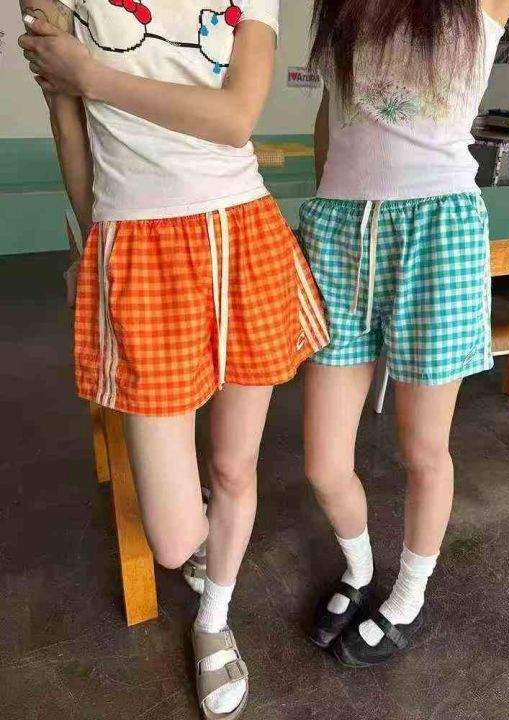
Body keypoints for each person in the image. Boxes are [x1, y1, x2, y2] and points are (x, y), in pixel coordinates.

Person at [18, 2, 328, 716]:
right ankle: (204, 540)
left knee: (235, 467)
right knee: (172, 536)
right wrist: (96, 243)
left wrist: (90, 73)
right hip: (139, 247)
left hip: (243, 238)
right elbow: (68, 122)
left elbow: (236, 118)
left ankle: (214, 619)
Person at [300, 0, 509, 666]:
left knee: (423, 448)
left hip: (437, 230)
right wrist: (330, 201)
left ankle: (409, 595)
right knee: (323, 463)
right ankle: (360, 569)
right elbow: (331, 112)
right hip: (339, 229)